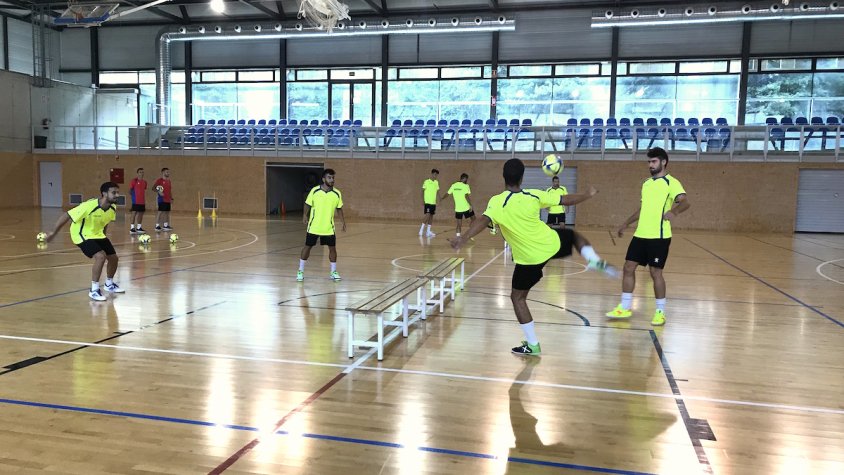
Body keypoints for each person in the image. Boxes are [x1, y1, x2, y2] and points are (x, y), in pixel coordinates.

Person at [450, 158, 617, 356]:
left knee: (518, 298)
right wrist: (587, 195)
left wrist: (464, 238)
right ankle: (592, 259)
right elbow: (566, 200)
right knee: (572, 236)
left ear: (503, 177)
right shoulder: (534, 195)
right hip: (549, 244)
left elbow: (482, 220)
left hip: (528, 259)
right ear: (522, 178)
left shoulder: (497, 202)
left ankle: (533, 345)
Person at [606, 147, 690, 326]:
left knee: (655, 272)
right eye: (649, 162)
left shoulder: (671, 182)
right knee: (628, 267)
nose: (650, 165)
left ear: (663, 162)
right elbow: (643, 208)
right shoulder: (646, 183)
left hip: (659, 236)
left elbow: (685, 202)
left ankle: (660, 312)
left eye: (653, 161)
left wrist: (674, 212)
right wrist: (626, 223)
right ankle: (625, 307)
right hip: (640, 234)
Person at [44, 182, 125, 301]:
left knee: (113, 258)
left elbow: (105, 222)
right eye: (114, 192)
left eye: (118, 192)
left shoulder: (112, 207)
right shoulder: (89, 206)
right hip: (81, 234)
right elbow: (67, 215)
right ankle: (94, 290)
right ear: (104, 194)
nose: (117, 195)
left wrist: (104, 237)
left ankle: (109, 284)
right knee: (100, 256)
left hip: (97, 234)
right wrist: (53, 233)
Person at [298, 169, 346, 282]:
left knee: (332, 249)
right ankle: (300, 271)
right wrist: (305, 215)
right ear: (323, 179)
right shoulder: (315, 191)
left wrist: (343, 221)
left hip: (328, 228)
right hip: (314, 226)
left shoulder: (337, 193)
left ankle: (333, 272)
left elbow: (339, 209)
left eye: (333, 177)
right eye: (329, 177)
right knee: (307, 247)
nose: (332, 180)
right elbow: (307, 204)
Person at [439, 173, 475, 237]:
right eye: (466, 179)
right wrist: (471, 205)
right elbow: (466, 196)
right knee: (474, 219)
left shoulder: (454, 185)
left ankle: (458, 238)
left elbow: (447, 194)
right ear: (465, 178)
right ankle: (470, 234)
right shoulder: (466, 186)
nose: (467, 180)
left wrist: (442, 198)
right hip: (466, 207)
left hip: (458, 209)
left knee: (459, 224)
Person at [419, 169, 439, 237]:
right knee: (427, 215)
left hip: (433, 202)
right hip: (427, 202)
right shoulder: (426, 181)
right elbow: (422, 191)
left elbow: (437, 191)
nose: (435, 176)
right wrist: (422, 200)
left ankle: (428, 231)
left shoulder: (436, 182)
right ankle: (421, 230)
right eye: (435, 174)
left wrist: (440, 198)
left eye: (437, 175)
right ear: (432, 174)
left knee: (431, 216)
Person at [153, 167, 173, 232]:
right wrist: (159, 192)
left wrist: (171, 198)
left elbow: (170, 191)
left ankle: (165, 225)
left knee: (167, 212)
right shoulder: (159, 180)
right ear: (163, 173)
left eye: (168, 172)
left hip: (168, 199)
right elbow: (153, 188)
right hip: (161, 199)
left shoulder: (169, 181)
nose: (168, 173)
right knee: (160, 212)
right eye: (167, 172)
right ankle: (157, 226)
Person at [129, 167, 147, 234]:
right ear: (137, 173)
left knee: (141, 214)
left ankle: (139, 227)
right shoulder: (134, 181)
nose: (141, 173)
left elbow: (143, 189)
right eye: (140, 172)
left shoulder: (145, 182)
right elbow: (130, 190)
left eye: (142, 172)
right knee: (134, 213)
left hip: (142, 201)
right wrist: (133, 198)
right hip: (135, 201)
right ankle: (132, 228)